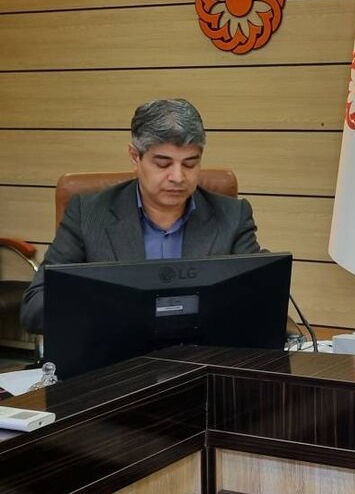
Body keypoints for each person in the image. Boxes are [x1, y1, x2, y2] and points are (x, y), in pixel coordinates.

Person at [20, 98, 262, 334]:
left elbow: (260, 295)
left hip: (201, 353)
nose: (178, 177)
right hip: (115, 353)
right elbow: (35, 308)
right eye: (163, 164)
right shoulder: (88, 215)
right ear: (135, 156)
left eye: (189, 164)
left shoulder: (232, 216)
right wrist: (114, 307)